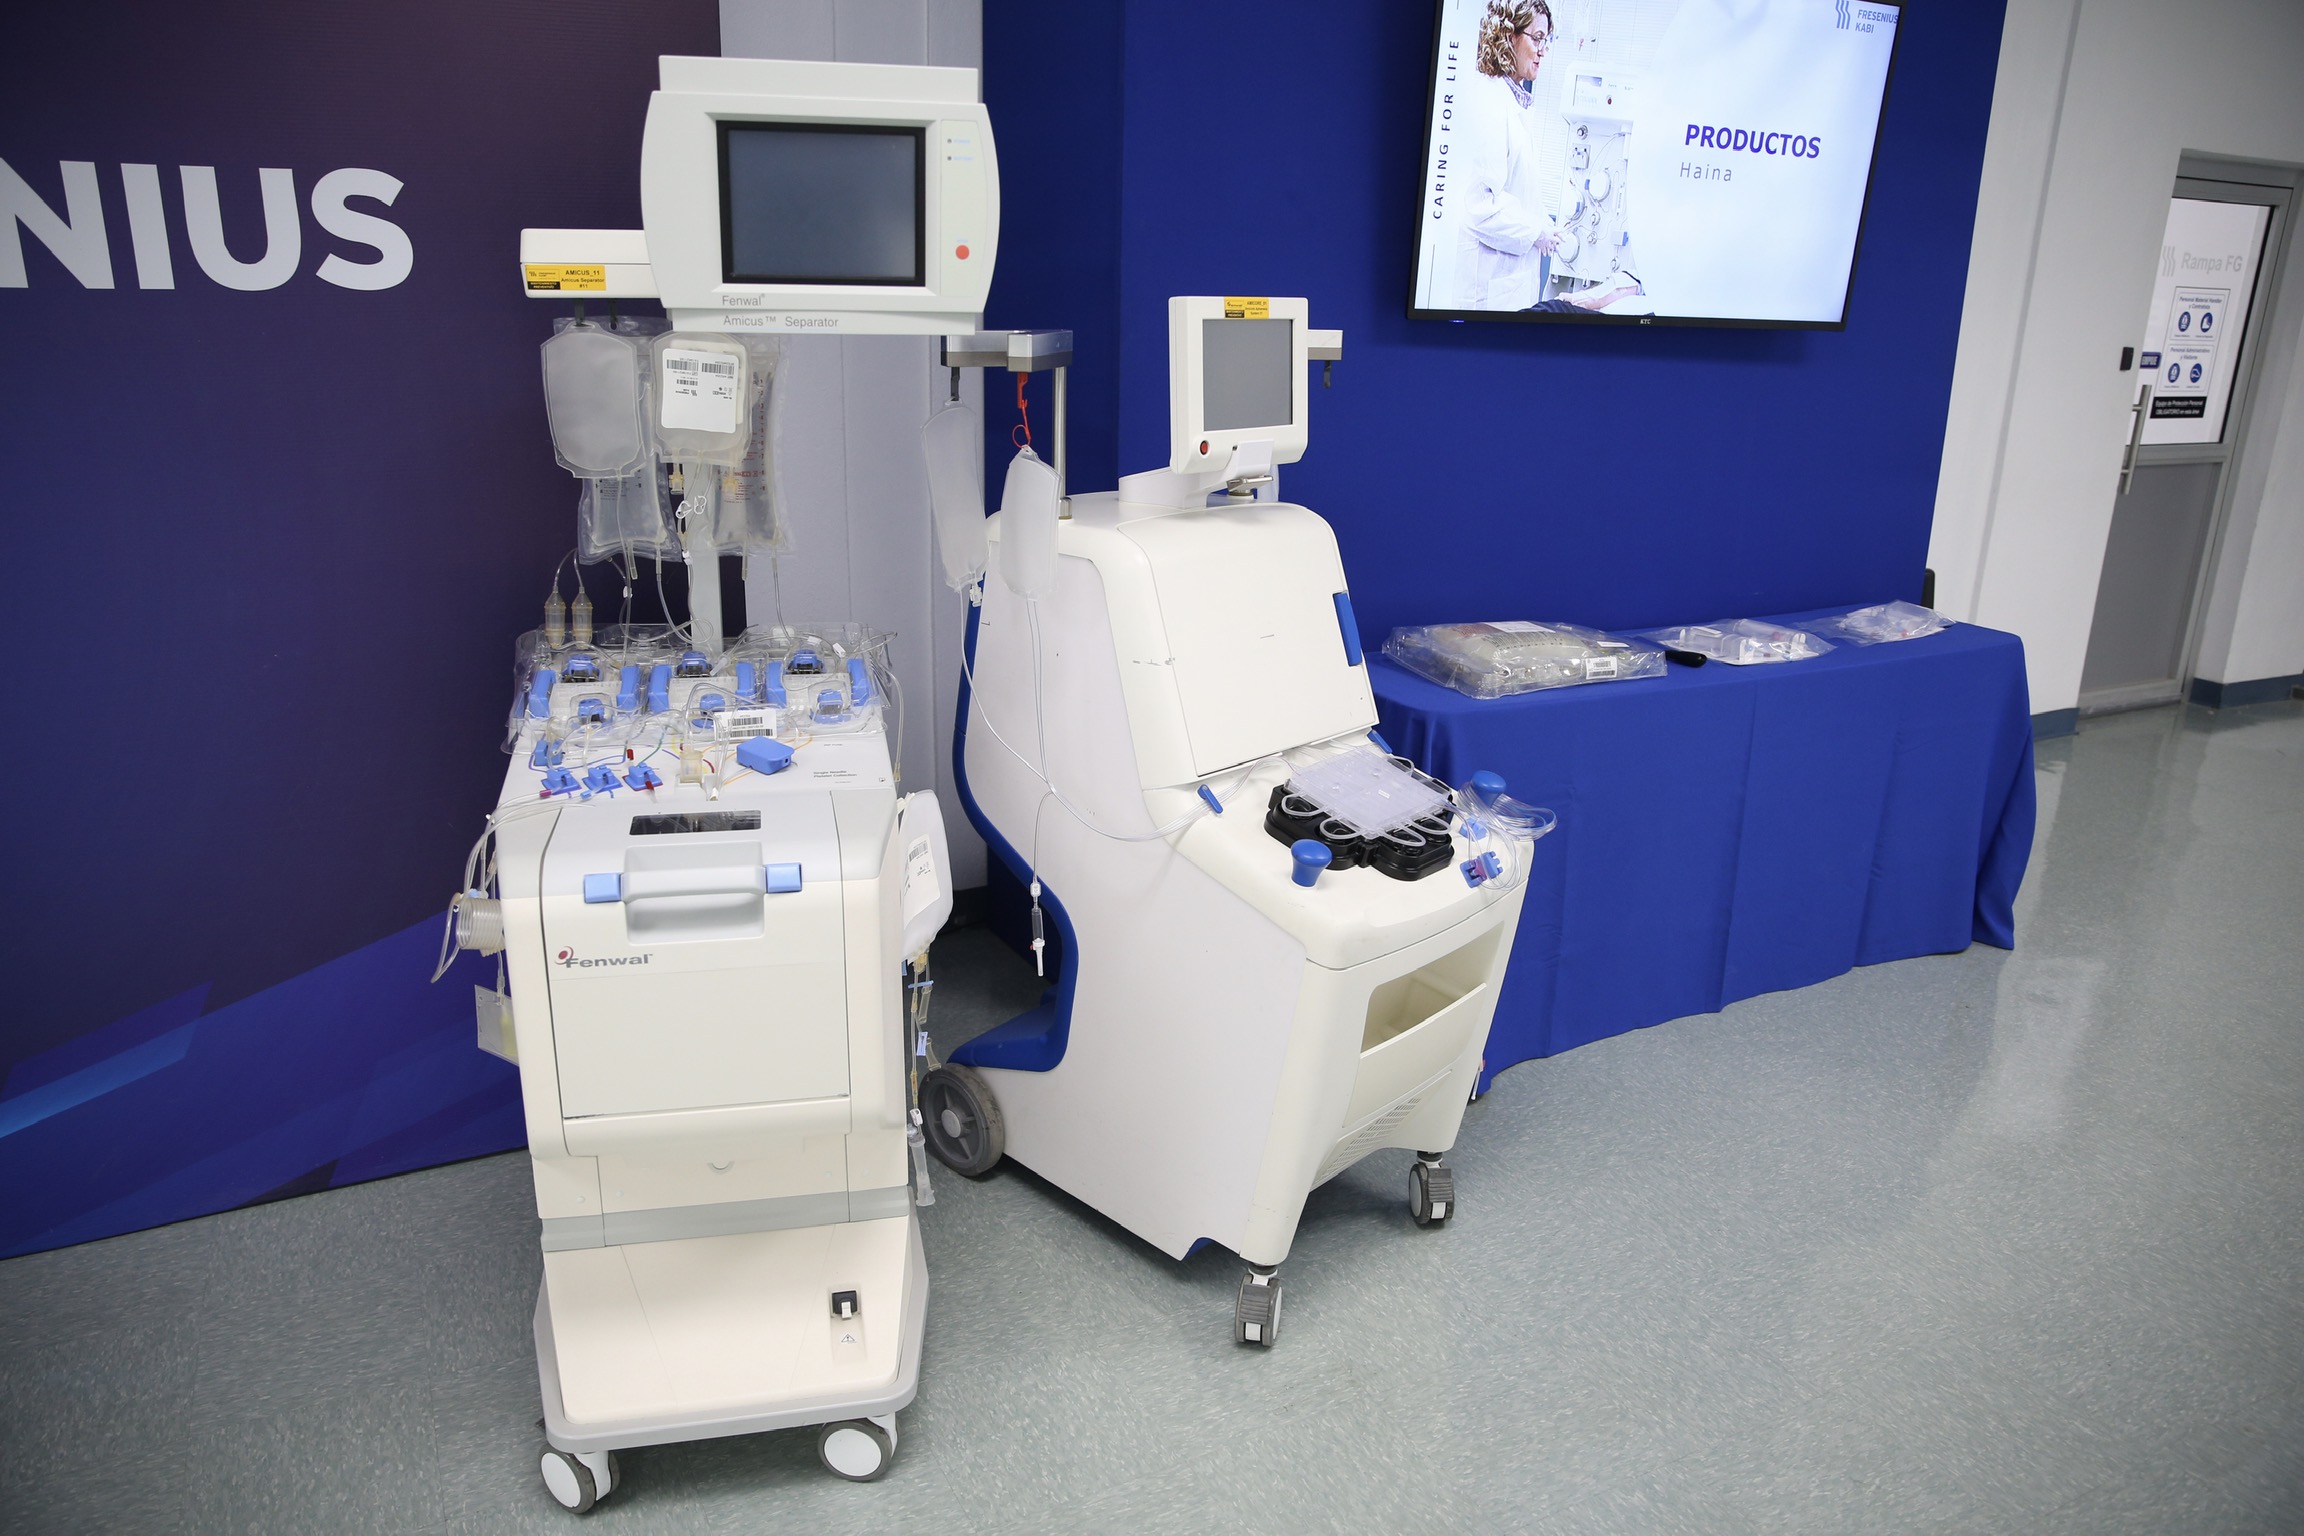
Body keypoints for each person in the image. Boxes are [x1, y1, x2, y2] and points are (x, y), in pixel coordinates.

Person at [1455, 0, 1643, 314]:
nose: (1543, 50)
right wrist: (1537, 232)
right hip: (1489, 289)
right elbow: (1479, 206)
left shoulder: (1516, 103)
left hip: (1512, 286)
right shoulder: (1490, 101)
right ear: (1509, 37)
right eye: (1537, 38)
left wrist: (1546, 226)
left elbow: (1521, 196)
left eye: (1547, 40)